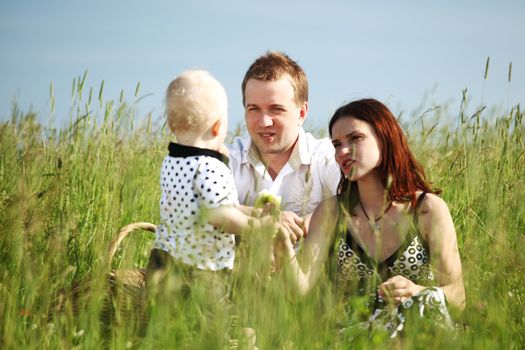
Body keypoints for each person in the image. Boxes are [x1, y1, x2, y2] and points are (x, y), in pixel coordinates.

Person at [274, 98, 466, 338]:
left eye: (355, 138)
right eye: (336, 144)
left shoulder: (426, 209)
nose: (342, 151)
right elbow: (299, 291)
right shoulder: (332, 212)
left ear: (384, 139)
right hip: (355, 337)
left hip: (419, 334)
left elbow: (458, 296)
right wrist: (281, 241)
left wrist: (418, 291)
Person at [146, 70, 280, 346]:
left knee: (170, 332)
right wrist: (260, 226)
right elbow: (220, 216)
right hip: (200, 272)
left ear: (171, 125)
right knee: (209, 336)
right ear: (218, 127)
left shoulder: (172, 161)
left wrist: (249, 211)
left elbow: (209, 205)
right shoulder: (211, 167)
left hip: (162, 262)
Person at [228, 51, 341, 241]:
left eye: (276, 109)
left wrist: (299, 227)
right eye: (254, 109)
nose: (264, 122)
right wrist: (268, 222)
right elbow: (204, 208)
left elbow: (355, 198)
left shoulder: (325, 154)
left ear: (302, 112)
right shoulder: (229, 159)